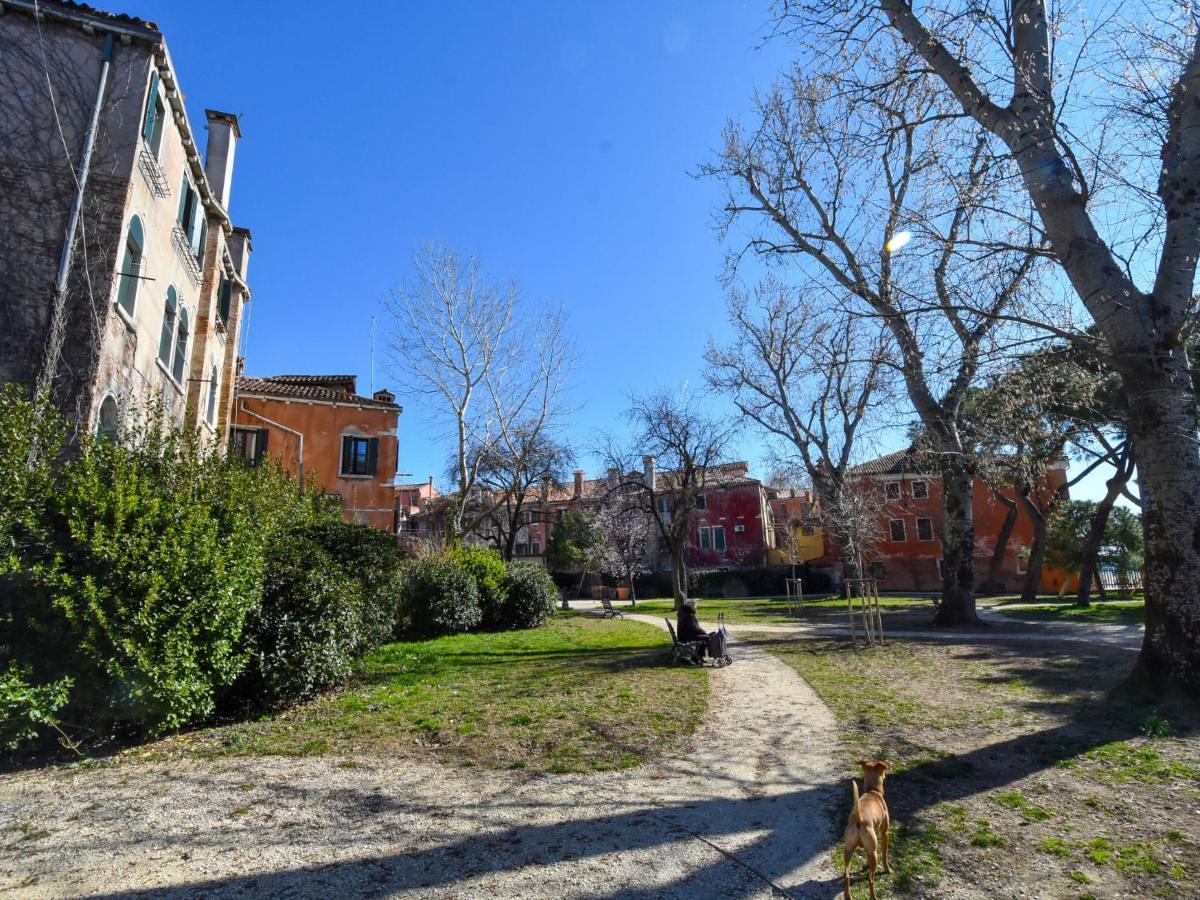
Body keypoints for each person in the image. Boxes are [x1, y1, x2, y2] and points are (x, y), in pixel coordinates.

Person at [676, 598, 708, 664]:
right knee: (706, 638)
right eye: (695, 605)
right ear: (691, 606)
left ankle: (696, 657)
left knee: (704, 637)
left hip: (683, 635)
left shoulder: (684, 613)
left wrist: (703, 632)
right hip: (686, 637)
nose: (696, 607)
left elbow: (694, 628)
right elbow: (695, 629)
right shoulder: (688, 615)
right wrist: (704, 633)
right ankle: (696, 658)